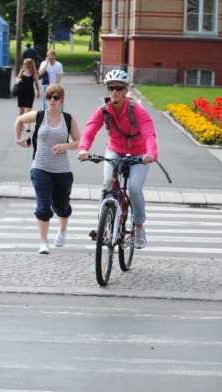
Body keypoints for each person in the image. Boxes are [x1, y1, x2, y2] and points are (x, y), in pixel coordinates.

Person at [78, 69, 158, 249]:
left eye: (119, 88)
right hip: (115, 150)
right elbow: (90, 129)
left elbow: (148, 132)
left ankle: (139, 227)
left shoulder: (137, 110)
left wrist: (151, 153)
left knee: (134, 189)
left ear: (126, 90)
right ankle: (103, 224)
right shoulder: (103, 110)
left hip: (139, 154)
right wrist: (84, 149)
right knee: (107, 183)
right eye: (111, 88)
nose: (114, 91)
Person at [14, 84, 81, 254]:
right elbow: (20, 120)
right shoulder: (39, 115)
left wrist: (65, 146)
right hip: (40, 167)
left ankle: (62, 229)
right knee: (43, 206)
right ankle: (44, 243)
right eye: (49, 97)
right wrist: (17, 139)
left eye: (56, 97)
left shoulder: (68, 118)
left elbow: (78, 142)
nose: (52, 100)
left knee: (62, 207)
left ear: (62, 100)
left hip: (62, 171)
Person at [15, 58, 41, 132]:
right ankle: (21, 124)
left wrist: (38, 92)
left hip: (30, 93)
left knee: (29, 110)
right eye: (23, 63)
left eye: (25, 63)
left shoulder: (33, 73)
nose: (24, 65)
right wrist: (18, 80)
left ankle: (28, 126)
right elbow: (17, 78)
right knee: (21, 110)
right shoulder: (22, 70)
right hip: (21, 92)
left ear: (29, 64)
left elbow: (36, 83)